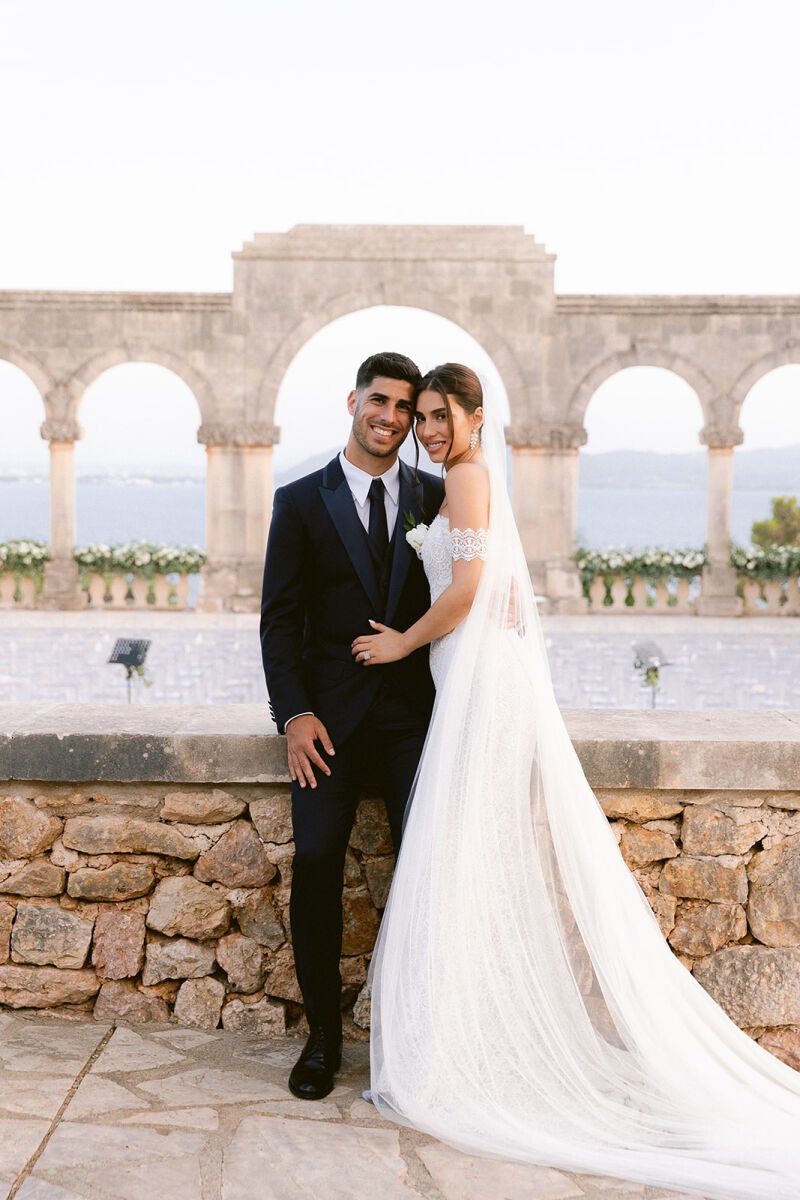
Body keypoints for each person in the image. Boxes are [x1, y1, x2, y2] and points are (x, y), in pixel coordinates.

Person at [351, 363, 800, 1200]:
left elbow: (473, 586)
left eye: (444, 416)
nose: (431, 430)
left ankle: (459, 1054)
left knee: (461, 861)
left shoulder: (473, 477)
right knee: (462, 864)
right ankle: (460, 1042)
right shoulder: (455, 484)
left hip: (481, 689)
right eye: (425, 418)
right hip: (469, 680)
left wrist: (403, 643)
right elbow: (497, 584)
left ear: (478, 418)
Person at [259, 351, 444, 1101]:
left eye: (405, 407)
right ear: (353, 401)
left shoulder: (436, 497)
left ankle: (413, 1040)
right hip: (326, 728)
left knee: (426, 878)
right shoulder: (301, 499)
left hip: (411, 724)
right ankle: (324, 1039)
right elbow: (279, 622)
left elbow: (461, 598)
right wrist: (294, 715)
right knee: (315, 869)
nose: (391, 417)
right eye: (380, 401)